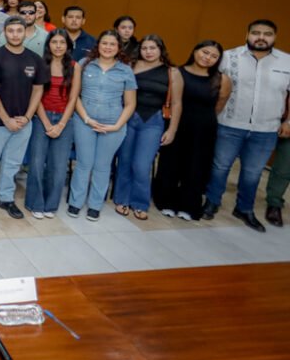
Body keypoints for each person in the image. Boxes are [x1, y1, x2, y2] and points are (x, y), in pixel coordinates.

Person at [203, 20, 290, 231]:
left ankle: (244, 209)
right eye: (256, 32)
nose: (261, 37)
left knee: (253, 172)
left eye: (267, 33)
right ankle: (212, 202)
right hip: (229, 125)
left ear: (274, 36)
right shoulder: (228, 57)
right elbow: (212, 86)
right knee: (220, 166)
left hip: (266, 129)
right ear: (247, 33)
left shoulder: (287, 62)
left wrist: (288, 121)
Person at [0, 17, 49, 222]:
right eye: (11, 30)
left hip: (23, 122)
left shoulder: (35, 59)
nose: (15, 34)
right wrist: (7, 119)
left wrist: (27, 117)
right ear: (5, 33)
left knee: (12, 163)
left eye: (19, 30)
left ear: (25, 32)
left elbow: (38, 90)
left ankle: (5, 198)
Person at [68, 30, 137, 221]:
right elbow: (75, 97)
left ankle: (95, 205)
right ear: (98, 45)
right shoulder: (84, 64)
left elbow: (130, 103)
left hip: (113, 125)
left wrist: (116, 126)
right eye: (104, 43)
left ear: (118, 48)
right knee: (84, 163)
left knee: (102, 166)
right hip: (85, 122)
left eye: (112, 44)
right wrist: (87, 119)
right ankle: (75, 202)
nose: (107, 47)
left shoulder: (125, 70)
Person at [154, 40, 225, 221]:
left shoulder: (221, 79)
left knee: (196, 166)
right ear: (195, 51)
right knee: (171, 163)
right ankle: (166, 201)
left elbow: (219, 105)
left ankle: (189, 205)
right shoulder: (177, 72)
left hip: (204, 129)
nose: (208, 58)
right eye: (205, 52)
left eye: (214, 56)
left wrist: (202, 120)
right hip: (176, 125)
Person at [114, 35, 183, 220]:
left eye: (153, 48)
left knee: (142, 165)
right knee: (125, 161)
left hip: (153, 122)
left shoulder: (172, 72)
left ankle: (140, 202)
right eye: (144, 48)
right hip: (129, 118)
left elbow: (176, 103)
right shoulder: (131, 66)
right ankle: (121, 199)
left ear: (161, 49)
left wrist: (172, 130)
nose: (148, 52)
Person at [24, 30, 81, 218]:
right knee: (37, 163)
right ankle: (35, 203)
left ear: (68, 46)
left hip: (65, 119)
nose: (58, 46)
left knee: (58, 166)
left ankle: (51, 205)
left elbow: (74, 97)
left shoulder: (75, 67)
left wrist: (62, 124)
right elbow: (36, 95)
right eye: (54, 42)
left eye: (62, 43)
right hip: (42, 117)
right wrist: (47, 124)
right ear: (48, 45)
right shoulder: (40, 65)